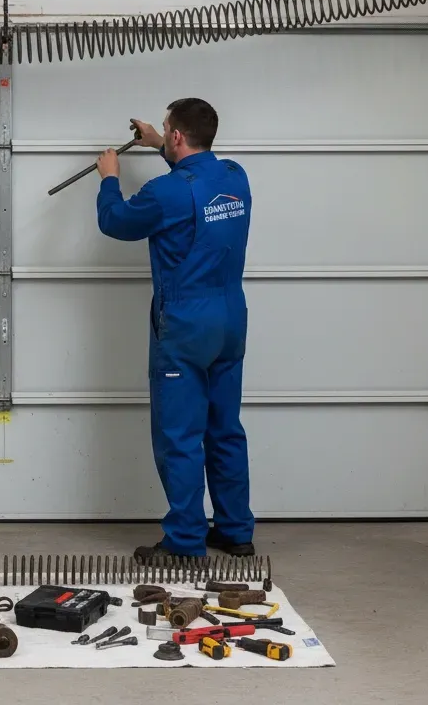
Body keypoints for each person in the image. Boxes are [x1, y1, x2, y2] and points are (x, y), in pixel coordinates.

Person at [96, 98, 255, 561]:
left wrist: (110, 177)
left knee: (180, 436)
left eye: (167, 130)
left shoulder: (166, 193)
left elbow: (116, 221)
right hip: (230, 317)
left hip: (185, 325)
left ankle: (185, 541)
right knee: (225, 428)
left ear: (179, 135)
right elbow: (195, 173)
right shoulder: (234, 177)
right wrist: (157, 143)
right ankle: (235, 531)